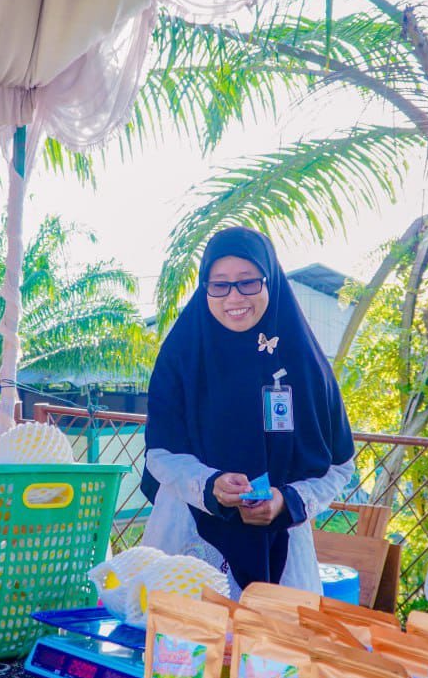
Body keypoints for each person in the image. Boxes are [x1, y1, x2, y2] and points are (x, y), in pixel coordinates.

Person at [141, 227, 355, 597]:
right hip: (187, 543)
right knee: (182, 632)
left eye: (248, 282)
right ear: (205, 287)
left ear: (270, 281)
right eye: (219, 285)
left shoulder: (302, 364)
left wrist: (286, 501)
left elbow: (339, 466)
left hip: (284, 554)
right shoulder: (183, 355)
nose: (234, 297)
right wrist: (209, 485)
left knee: (270, 635)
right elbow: (160, 452)